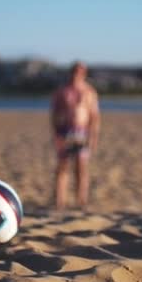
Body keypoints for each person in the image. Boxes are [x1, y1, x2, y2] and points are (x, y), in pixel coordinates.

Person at [50, 62, 100, 210]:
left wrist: (93, 136)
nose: (76, 74)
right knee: (63, 165)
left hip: (82, 131)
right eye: (74, 71)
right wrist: (56, 134)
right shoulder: (62, 91)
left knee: (81, 166)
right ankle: (60, 201)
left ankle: (81, 201)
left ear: (84, 73)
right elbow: (54, 114)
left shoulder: (89, 92)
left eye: (79, 72)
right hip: (65, 131)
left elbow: (95, 116)